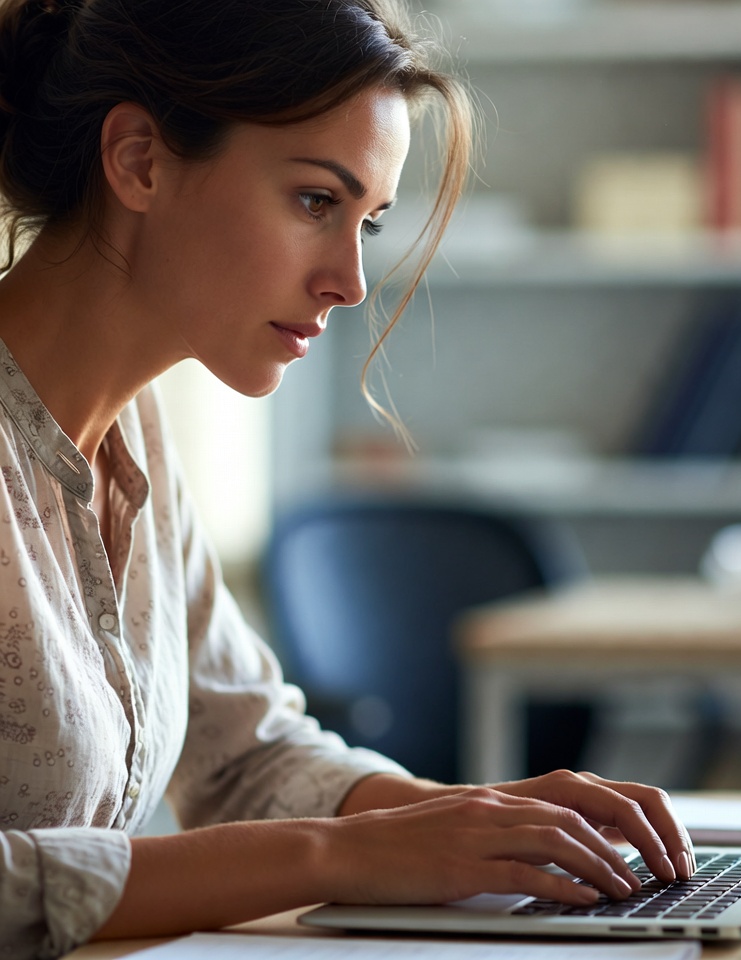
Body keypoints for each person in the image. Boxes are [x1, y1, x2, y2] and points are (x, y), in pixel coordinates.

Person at [0, 0, 695, 955]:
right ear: (139, 160)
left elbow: (244, 756)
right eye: (315, 201)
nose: (349, 282)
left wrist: (476, 824)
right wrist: (335, 856)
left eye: (365, 223)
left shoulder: (134, 433)